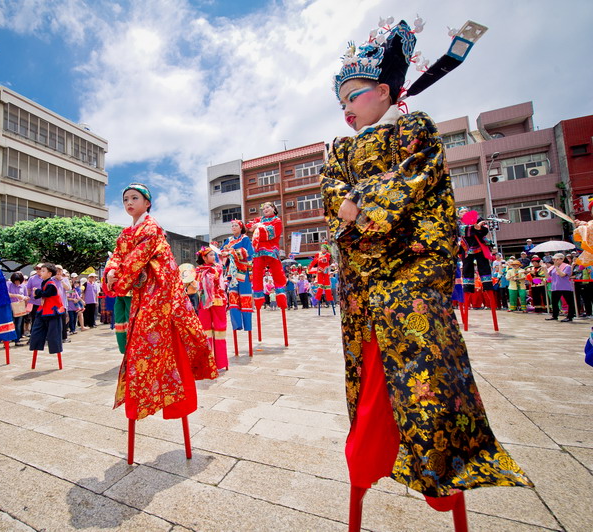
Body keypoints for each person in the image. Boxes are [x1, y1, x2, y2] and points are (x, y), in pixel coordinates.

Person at [320, 18, 530, 529]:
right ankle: (371, 459)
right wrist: (346, 204)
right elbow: (331, 194)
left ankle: (442, 470)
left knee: (426, 373)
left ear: (386, 90)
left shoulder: (416, 128)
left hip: (411, 273)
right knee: (371, 375)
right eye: (341, 100)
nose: (346, 109)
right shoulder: (340, 148)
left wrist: (357, 202)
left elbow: (410, 180)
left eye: (354, 95)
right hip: (363, 283)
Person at [104, 183, 217, 461]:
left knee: (148, 346)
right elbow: (118, 257)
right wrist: (110, 271)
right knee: (138, 347)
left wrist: (116, 276)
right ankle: (146, 395)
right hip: (143, 297)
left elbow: (134, 259)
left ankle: (158, 395)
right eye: (126, 199)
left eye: (135, 198)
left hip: (161, 297)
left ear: (147, 203)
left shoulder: (151, 229)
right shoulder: (126, 232)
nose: (129, 202)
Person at [246, 202, 287, 309]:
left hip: (271, 250)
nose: (265, 209)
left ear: (274, 208)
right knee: (257, 273)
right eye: (263, 208)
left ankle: (281, 296)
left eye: (267, 207)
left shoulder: (277, 220)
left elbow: (272, 233)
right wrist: (257, 226)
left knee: (277, 272)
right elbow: (249, 225)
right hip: (259, 251)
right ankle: (259, 299)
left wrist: (259, 227)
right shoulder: (260, 219)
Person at [195, 246, 228, 371]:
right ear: (203, 257)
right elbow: (197, 285)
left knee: (219, 331)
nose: (214, 257)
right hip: (204, 302)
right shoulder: (198, 270)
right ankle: (207, 362)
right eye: (211, 255)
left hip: (218, 301)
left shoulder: (217, 268)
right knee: (205, 331)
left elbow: (217, 279)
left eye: (214, 255)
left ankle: (221, 362)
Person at [220, 220, 255, 330]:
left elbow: (248, 252)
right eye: (232, 226)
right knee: (233, 297)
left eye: (236, 225)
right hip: (232, 273)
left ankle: (247, 326)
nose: (233, 227)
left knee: (245, 297)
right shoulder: (228, 240)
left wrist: (230, 252)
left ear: (241, 228)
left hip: (243, 271)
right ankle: (237, 325)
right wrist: (223, 253)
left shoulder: (244, 238)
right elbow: (221, 253)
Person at [29, 263, 64, 358]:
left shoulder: (51, 284)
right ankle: (35, 345)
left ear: (49, 273)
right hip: (44, 310)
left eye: (43, 271)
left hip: (53, 311)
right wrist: (37, 294)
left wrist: (37, 292)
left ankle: (55, 349)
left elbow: (46, 294)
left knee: (54, 335)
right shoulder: (44, 282)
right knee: (36, 332)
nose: (40, 272)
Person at [546, 252, 575, 322]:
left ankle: (570, 316)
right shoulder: (552, 267)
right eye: (554, 260)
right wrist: (544, 268)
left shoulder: (567, 266)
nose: (554, 261)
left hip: (565, 287)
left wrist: (556, 267)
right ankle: (555, 315)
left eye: (556, 259)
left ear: (562, 259)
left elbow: (562, 275)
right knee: (554, 302)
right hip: (555, 287)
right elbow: (547, 276)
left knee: (569, 302)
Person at [7, 272, 29, 346]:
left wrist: (25, 300)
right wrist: (16, 296)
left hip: (20, 307)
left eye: (19, 281)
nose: (17, 282)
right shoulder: (9, 284)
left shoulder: (23, 286)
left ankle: (17, 339)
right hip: (11, 306)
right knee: (10, 323)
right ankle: (8, 340)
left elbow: (26, 296)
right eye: (16, 281)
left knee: (19, 324)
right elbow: (7, 294)